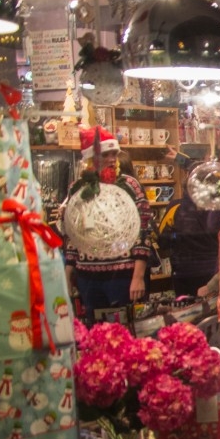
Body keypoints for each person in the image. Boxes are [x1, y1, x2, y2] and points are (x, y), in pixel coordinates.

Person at [63, 126, 154, 323]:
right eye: (106, 154)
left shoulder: (128, 186)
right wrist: (67, 274)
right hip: (87, 277)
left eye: (115, 153)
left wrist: (138, 276)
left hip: (123, 276)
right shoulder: (77, 189)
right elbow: (72, 234)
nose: (112, 159)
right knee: (95, 335)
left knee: (127, 333)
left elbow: (143, 230)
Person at [157, 161, 220, 297]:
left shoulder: (176, 207)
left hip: (184, 272)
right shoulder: (219, 208)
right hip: (212, 272)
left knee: (184, 313)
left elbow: (162, 242)